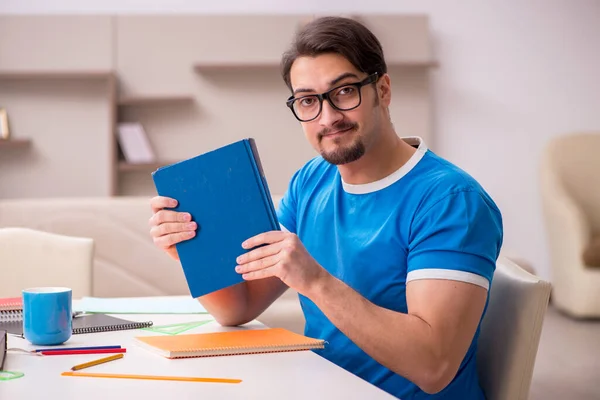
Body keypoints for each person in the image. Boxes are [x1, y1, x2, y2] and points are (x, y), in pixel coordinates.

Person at [149, 16, 503, 400]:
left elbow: (433, 367)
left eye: (345, 91)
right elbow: (240, 307)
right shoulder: (312, 180)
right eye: (308, 101)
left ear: (382, 90)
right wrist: (192, 249)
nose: (328, 117)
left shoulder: (450, 201)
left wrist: (315, 281)